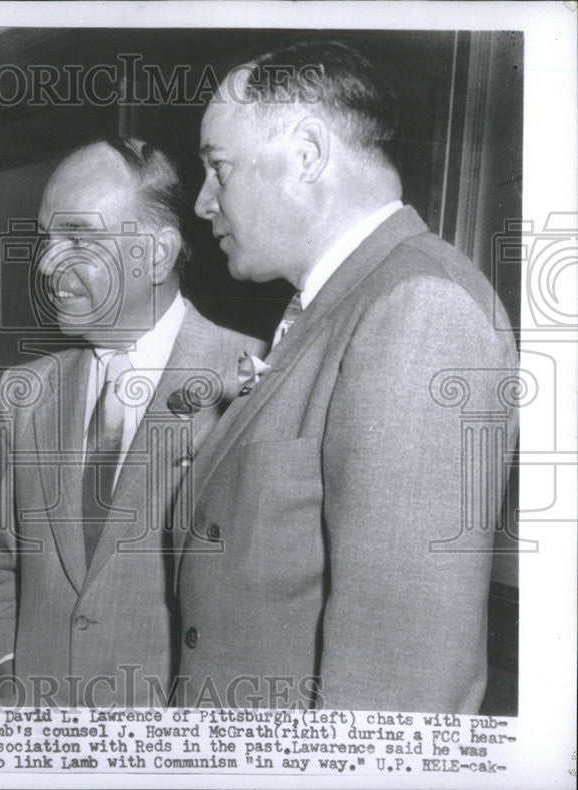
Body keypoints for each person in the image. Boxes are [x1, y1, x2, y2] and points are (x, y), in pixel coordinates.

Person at [174, 41, 519, 712]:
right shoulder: (341, 303)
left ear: (306, 153)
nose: (202, 201)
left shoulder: (418, 307)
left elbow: (402, 683)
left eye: (219, 168)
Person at [0, 137, 265, 706]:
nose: (46, 265)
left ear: (157, 254)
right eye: (46, 240)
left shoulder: (254, 382)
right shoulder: (26, 393)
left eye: (79, 238)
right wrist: (4, 672)